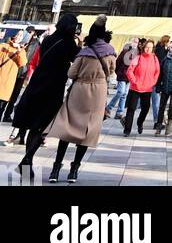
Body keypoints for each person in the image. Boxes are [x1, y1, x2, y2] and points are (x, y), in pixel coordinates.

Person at [46, 20, 116, 184]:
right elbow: (111, 72)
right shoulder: (110, 52)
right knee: (87, 131)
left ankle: (56, 168)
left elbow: (71, 73)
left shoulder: (85, 51)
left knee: (67, 128)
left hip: (79, 91)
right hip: (98, 92)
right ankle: (74, 170)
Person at [14, 13, 81, 180]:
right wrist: (79, 42)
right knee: (41, 126)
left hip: (37, 83)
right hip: (52, 88)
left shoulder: (49, 39)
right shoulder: (68, 43)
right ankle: (26, 160)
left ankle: (26, 162)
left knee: (34, 124)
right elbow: (76, 58)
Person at [123, 39, 160, 136]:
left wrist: (152, 83)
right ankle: (127, 130)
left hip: (147, 88)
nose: (149, 49)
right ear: (144, 47)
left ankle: (140, 123)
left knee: (145, 109)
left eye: (151, 47)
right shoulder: (138, 58)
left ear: (153, 49)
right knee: (131, 109)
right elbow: (129, 71)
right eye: (147, 47)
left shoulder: (155, 59)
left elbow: (157, 72)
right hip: (135, 87)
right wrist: (135, 81)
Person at [105, 35, 138, 120]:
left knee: (124, 94)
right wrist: (118, 72)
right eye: (134, 41)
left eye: (137, 42)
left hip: (130, 77)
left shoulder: (137, 54)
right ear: (131, 42)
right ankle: (108, 108)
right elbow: (118, 62)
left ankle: (119, 112)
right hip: (122, 75)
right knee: (120, 92)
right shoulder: (125, 51)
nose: (135, 44)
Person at [0, 31, 28, 122]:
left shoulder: (22, 51)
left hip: (7, 83)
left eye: (21, 36)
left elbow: (23, 63)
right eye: (18, 34)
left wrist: (19, 50)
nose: (18, 37)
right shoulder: (4, 45)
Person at [151, 34, 171, 124]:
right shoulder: (162, 51)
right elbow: (160, 66)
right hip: (156, 79)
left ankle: (158, 119)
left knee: (146, 101)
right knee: (155, 101)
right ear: (166, 42)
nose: (170, 43)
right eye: (169, 41)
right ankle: (157, 120)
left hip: (155, 78)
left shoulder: (159, 49)